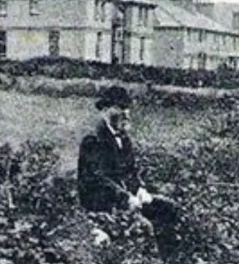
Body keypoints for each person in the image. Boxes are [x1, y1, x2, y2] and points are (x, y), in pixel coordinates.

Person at [77, 86, 180, 246]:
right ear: (105, 110)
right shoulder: (93, 139)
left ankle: (169, 256)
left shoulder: (124, 139)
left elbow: (131, 171)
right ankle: (149, 255)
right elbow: (97, 179)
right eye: (119, 107)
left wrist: (140, 189)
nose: (125, 113)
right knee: (144, 226)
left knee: (168, 208)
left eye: (127, 108)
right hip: (102, 201)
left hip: (126, 198)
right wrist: (125, 198)